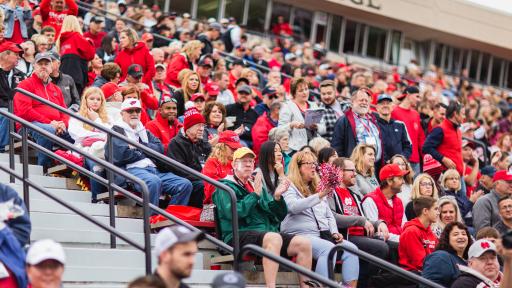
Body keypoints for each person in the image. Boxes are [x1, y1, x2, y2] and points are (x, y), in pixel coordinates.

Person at [213, 147, 313, 288]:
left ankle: (306, 286)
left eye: (251, 161)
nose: (248, 164)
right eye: (244, 161)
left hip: (263, 233)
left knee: (303, 243)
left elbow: (278, 216)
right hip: (236, 235)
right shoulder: (224, 187)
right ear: (234, 165)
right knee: (273, 238)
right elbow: (233, 213)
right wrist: (254, 195)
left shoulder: (255, 184)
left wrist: (277, 197)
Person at [281, 150, 359, 286]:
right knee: (328, 249)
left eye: (314, 163)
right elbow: (292, 207)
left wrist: (334, 231)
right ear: (298, 167)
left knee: (351, 248)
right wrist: (319, 196)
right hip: (299, 235)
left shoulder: (317, 187)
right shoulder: (289, 186)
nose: (313, 167)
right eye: (308, 163)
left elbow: (329, 215)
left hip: (322, 234)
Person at [106, 98, 192, 208]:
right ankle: (151, 221)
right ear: (122, 113)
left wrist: (138, 146)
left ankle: (170, 220)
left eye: (137, 111)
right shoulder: (116, 130)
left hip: (154, 170)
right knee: (153, 182)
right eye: (130, 111)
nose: (134, 114)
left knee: (184, 184)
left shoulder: (143, 130)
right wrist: (146, 150)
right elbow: (122, 155)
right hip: (132, 170)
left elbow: (160, 148)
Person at [330, 157, 390, 288]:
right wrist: (360, 220)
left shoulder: (354, 195)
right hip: (345, 237)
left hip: (362, 236)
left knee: (391, 244)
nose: (355, 174)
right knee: (381, 248)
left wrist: (379, 223)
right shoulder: (331, 192)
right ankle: (362, 283)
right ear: (340, 172)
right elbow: (333, 218)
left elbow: (365, 219)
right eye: (351, 170)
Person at [13, 52, 74, 169]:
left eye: (46, 64)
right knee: (47, 130)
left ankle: (74, 168)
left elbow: (64, 112)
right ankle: (44, 168)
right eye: (40, 64)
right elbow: (25, 112)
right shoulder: (25, 85)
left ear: (52, 68)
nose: (43, 66)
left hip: (55, 126)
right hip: (28, 125)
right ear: (34, 67)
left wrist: (63, 124)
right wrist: (50, 123)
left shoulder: (56, 89)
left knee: (77, 135)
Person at [68, 87, 112, 201]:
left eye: (98, 99)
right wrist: (101, 136)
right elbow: (77, 134)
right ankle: (97, 198)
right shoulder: (77, 116)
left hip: (104, 150)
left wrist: (97, 120)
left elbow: (112, 134)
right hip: (85, 151)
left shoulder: (108, 118)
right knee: (95, 164)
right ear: (85, 100)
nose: (95, 101)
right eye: (92, 98)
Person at [167, 108, 212, 208]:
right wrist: (204, 178)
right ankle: (201, 216)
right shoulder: (176, 143)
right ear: (188, 128)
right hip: (188, 183)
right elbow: (179, 171)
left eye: (203, 125)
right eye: (198, 126)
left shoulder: (203, 144)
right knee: (205, 186)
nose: (201, 129)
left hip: (202, 179)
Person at [332, 88, 382, 162]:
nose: (364, 103)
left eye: (366, 100)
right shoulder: (343, 120)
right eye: (361, 100)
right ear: (352, 102)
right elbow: (337, 146)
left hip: (374, 165)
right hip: (355, 166)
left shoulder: (373, 120)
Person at [362, 163, 408, 242]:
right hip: (385, 243)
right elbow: (375, 232)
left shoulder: (399, 201)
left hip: (400, 241)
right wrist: (402, 240)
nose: (403, 182)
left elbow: (405, 226)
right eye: (400, 178)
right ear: (389, 181)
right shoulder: (370, 200)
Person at [423, 100, 466, 177]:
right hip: (446, 175)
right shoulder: (440, 129)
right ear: (455, 114)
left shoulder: (458, 130)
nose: (464, 117)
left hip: (458, 175)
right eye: (463, 114)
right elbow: (426, 147)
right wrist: (443, 159)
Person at [422, 222, 472, 287]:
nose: (461, 236)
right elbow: (429, 284)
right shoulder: (440, 257)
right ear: (447, 238)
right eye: (455, 234)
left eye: (464, 234)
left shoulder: (469, 261)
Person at [57, 15, 96, 96]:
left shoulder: (61, 41)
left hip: (63, 75)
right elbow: (91, 54)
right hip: (76, 75)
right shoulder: (76, 36)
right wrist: (89, 42)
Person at [279, 77, 320, 152]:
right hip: (296, 149)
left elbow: (323, 127)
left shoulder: (314, 105)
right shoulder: (287, 106)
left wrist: (317, 126)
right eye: (301, 91)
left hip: (314, 147)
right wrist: (291, 125)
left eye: (306, 89)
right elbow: (279, 130)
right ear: (294, 93)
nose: (305, 92)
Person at [398, 197, 439, 272]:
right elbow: (419, 263)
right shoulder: (411, 231)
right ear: (425, 211)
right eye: (435, 209)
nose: (438, 213)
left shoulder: (431, 233)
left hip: (428, 271)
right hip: (412, 275)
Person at [202, 130, 242, 204]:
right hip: (220, 203)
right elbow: (211, 189)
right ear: (222, 146)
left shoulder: (239, 162)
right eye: (233, 148)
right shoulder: (212, 162)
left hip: (237, 200)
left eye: (237, 148)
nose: (235, 151)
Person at [391, 86, 424, 174]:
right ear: (408, 95)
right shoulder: (394, 111)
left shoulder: (416, 114)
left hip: (415, 160)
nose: (419, 100)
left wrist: (424, 156)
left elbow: (420, 138)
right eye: (417, 96)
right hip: (400, 159)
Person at [0, 42, 25, 152]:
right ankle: (3, 149)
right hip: (4, 109)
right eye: (16, 54)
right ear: (5, 55)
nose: (19, 58)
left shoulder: (21, 75)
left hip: (16, 109)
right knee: (7, 114)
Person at [375, 93, 412, 163]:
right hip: (380, 166)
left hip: (399, 165)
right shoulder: (373, 125)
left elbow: (408, 146)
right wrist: (386, 161)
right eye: (382, 103)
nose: (385, 105)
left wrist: (400, 159)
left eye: (388, 103)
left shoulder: (400, 125)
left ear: (392, 106)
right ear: (377, 107)